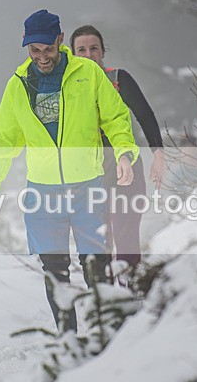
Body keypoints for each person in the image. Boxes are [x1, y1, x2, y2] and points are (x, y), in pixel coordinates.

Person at [0, 10, 139, 332]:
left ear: (60, 40)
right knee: (54, 270)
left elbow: (116, 118)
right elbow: (4, 141)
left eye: (47, 49)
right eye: (34, 50)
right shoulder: (18, 85)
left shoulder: (88, 74)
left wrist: (123, 155)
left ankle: (109, 337)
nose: (42, 57)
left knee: (96, 266)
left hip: (87, 188)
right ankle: (69, 342)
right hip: (43, 193)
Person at [70, 25, 165, 281]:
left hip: (126, 167)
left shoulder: (118, 80)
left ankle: (132, 297)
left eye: (94, 48)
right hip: (87, 172)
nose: (89, 54)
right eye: (82, 50)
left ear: (103, 52)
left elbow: (144, 115)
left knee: (126, 235)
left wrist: (158, 154)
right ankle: (103, 301)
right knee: (96, 239)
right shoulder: (66, 88)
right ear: (73, 54)